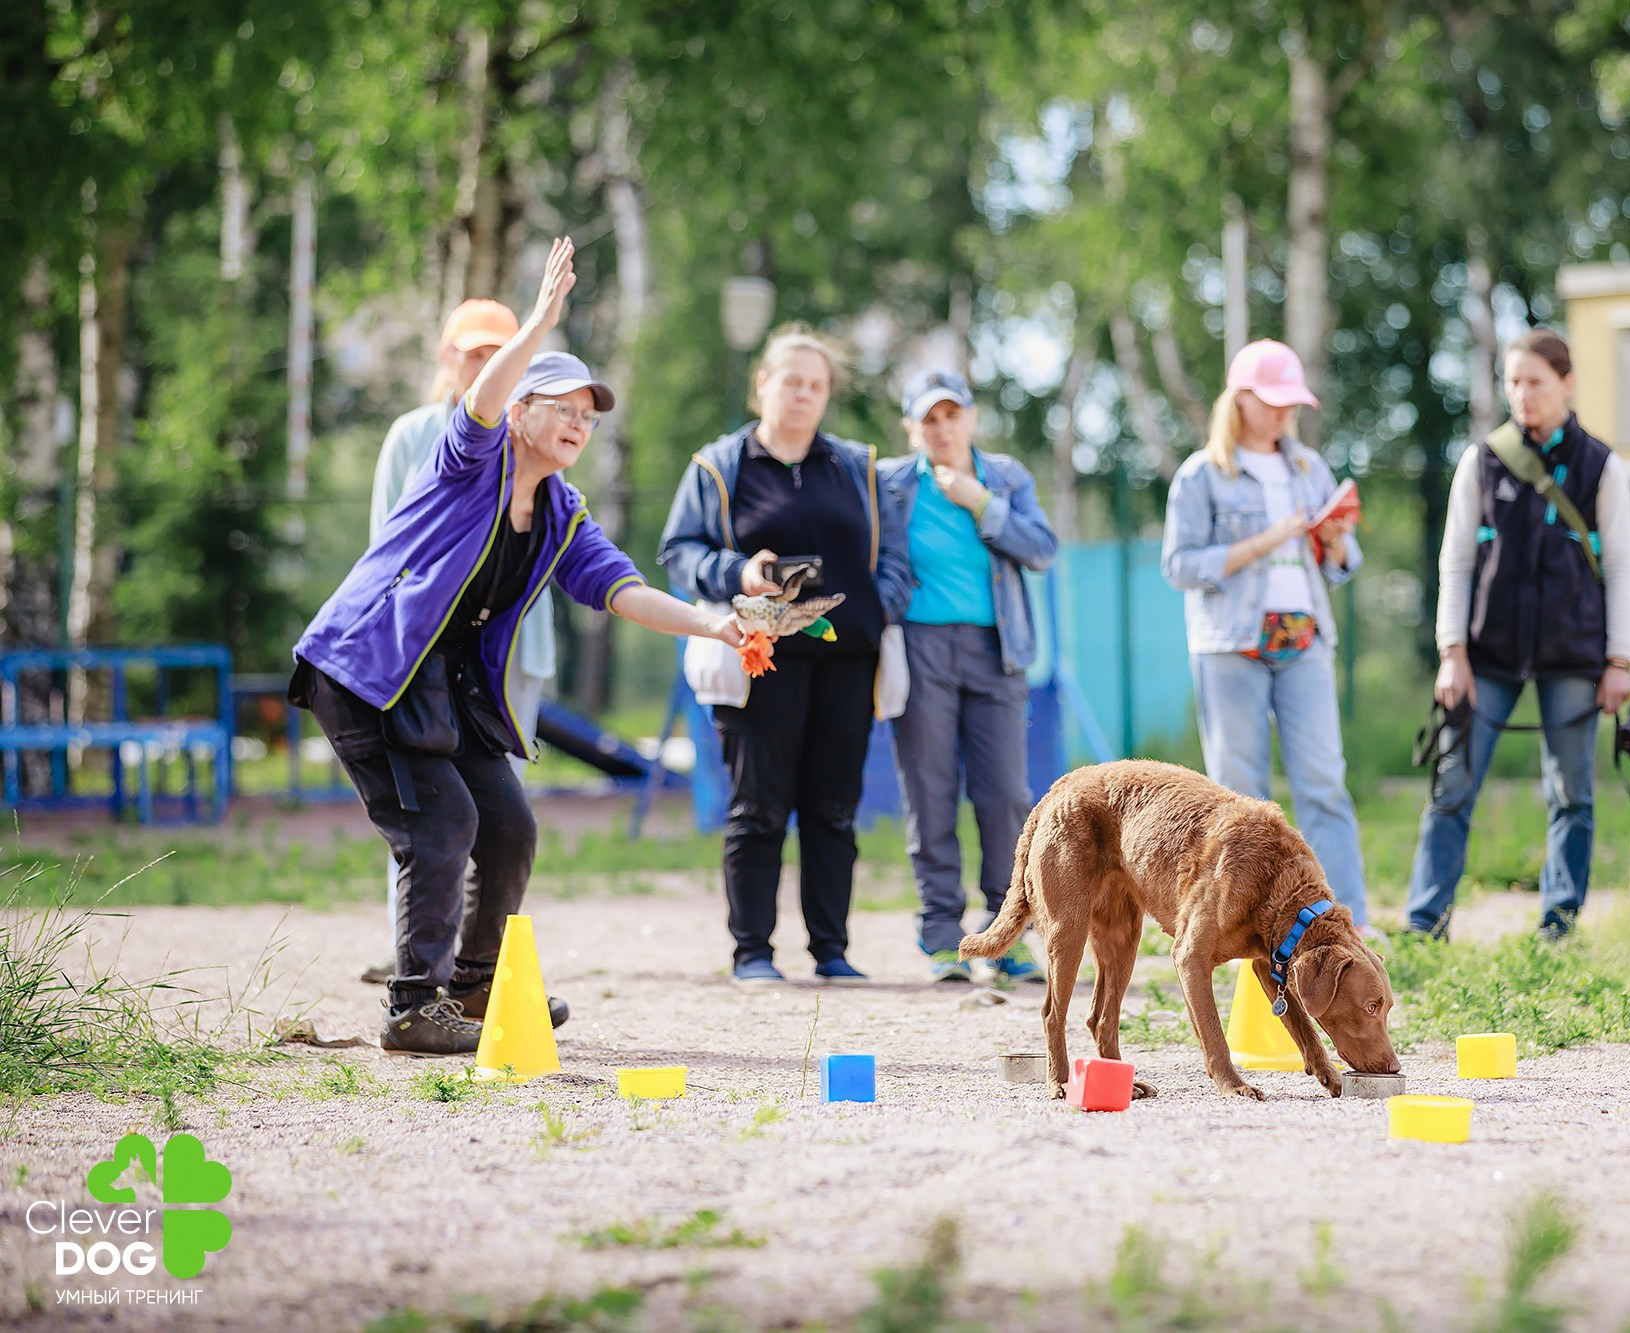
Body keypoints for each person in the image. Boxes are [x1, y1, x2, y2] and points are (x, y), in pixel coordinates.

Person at [291, 238, 745, 1054]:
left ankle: (472, 988)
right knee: (442, 821)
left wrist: (720, 622)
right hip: (365, 669)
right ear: (521, 410)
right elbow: (482, 401)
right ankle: (411, 1005)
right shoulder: (470, 460)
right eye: (562, 407)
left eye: (588, 416)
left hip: (439, 686)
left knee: (506, 825)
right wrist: (539, 320)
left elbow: (624, 589)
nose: (578, 424)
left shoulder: (563, 513)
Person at [659, 325, 913, 985]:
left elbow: (893, 559)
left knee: (833, 809)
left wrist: (876, 609)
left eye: (816, 384)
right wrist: (737, 571)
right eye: (790, 380)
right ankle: (753, 952)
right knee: (759, 807)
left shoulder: (857, 465)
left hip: (847, 661)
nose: (802, 393)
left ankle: (831, 949)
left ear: (826, 395)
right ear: (762, 384)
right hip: (758, 658)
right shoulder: (719, 465)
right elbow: (680, 551)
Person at [1405, 327, 1630, 942]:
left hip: (1575, 655)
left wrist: (1620, 659)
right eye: (1512, 381)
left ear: (1567, 383)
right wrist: (1452, 652)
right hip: (1487, 655)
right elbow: (1454, 562)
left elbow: (1622, 568)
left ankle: (1558, 925)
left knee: (1571, 794)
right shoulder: (1481, 460)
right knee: (1452, 786)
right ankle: (1426, 922)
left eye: (1534, 381)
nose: (1522, 394)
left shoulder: (1601, 466)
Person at [357, 298, 561, 987]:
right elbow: (390, 545)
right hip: (425, 660)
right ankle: (417, 959)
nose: (489, 365)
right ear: (450, 357)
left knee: (502, 819)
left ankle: (478, 967)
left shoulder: (536, 433)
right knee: (431, 812)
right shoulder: (419, 434)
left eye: (503, 354)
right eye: (477, 353)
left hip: (509, 660)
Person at [1161, 338, 1374, 934]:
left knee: (1323, 782)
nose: (1285, 413)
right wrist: (1265, 539)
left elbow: (1342, 563)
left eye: (1292, 403)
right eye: (1273, 401)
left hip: (1304, 638)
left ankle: (1343, 919)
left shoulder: (1308, 467)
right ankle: (1238, 924)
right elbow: (1179, 565)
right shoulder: (1202, 475)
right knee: (1238, 797)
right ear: (1241, 399)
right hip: (1232, 644)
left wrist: (1334, 541)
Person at [878, 368, 1057, 984]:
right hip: (920, 648)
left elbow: (1042, 549)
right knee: (928, 790)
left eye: (952, 415)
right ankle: (940, 935)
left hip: (997, 650)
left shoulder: (1005, 477)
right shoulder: (890, 485)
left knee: (1006, 792)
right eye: (929, 418)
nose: (943, 428)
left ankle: (1005, 935)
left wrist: (980, 503)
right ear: (911, 428)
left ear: (971, 419)